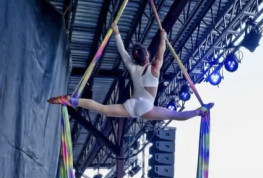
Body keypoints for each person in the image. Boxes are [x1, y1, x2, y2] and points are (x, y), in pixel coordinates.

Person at [47, 23, 213, 120]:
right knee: (175, 115)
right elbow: (160, 53)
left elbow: (122, 51)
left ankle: (72, 101)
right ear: (147, 55)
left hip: (132, 104)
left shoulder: (133, 67)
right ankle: (199, 112)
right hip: (145, 107)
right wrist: (162, 37)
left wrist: (116, 32)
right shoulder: (154, 69)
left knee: (102, 109)